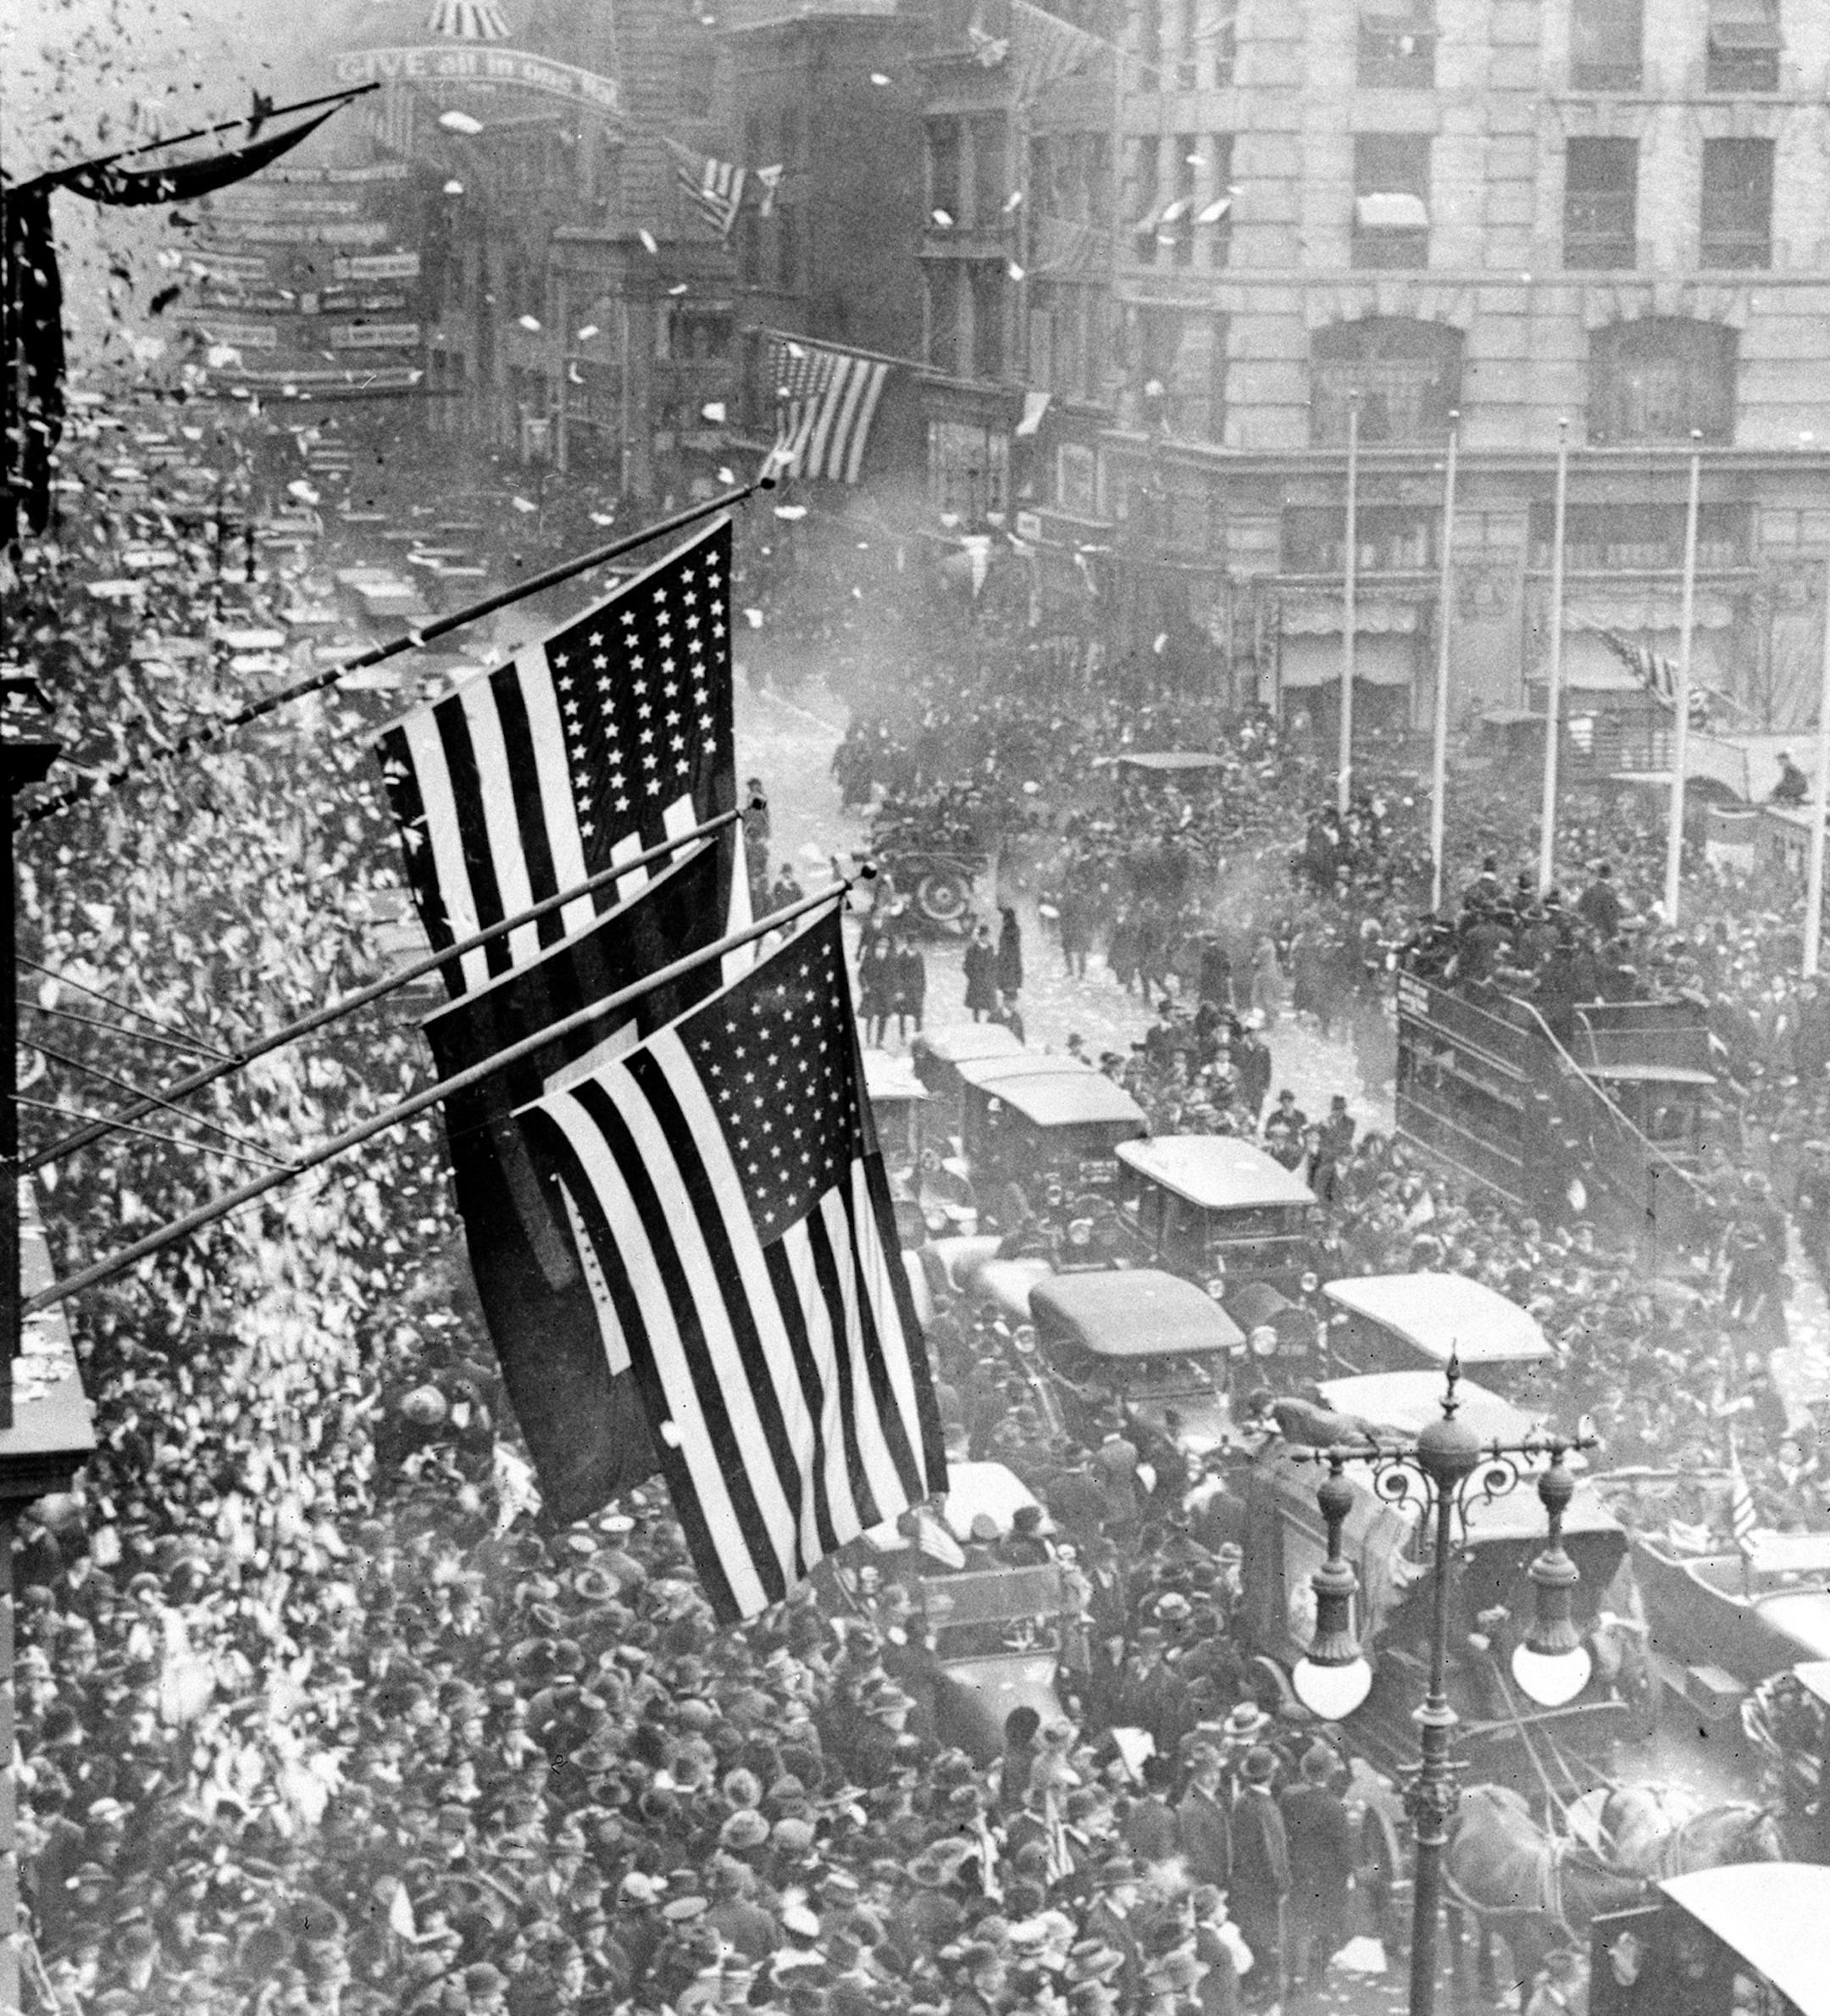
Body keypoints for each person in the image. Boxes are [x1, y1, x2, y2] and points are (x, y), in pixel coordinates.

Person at [1278, 1742, 1354, 1997]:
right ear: (1329, 1773)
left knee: (1294, 1926)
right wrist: (1349, 1874)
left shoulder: (1289, 1796)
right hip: (1326, 1879)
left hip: (1296, 1872)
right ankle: (1317, 1975)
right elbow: (1343, 1848)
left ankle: (1291, 1979)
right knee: (1324, 1926)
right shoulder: (1334, 1806)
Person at [1229, 1747, 1291, 2008]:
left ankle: (1253, 1988)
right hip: (1263, 1890)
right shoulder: (1267, 1808)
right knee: (1268, 1943)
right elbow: (1273, 1855)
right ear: (1271, 1775)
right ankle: (1264, 1995)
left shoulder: (1242, 1800)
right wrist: (1283, 1886)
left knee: (1252, 1938)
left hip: (1244, 1884)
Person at [890, 936, 926, 1042]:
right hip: (904, 991)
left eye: (916, 943)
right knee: (902, 1014)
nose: (915, 945)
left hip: (916, 990)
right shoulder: (901, 957)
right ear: (908, 944)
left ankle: (918, 1037)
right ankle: (902, 1036)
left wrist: (923, 988)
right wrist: (898, 990)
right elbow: (897, 975)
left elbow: (922, 974)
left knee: (918, 1014)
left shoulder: (919, 956)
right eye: (913, 943)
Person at [963, 922, 1000, 1022]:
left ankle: (991, 1023)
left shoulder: (991, 948)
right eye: (986, 936)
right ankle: (976, 1022)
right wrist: (973, 977)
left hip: (988, 982)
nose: (987, 938)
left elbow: (995, 963)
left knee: (991, 1006)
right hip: (977, 982)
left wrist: (994, 977)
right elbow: (967, 966)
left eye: (988, 936)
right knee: (976, 1006)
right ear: (981, 936)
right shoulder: (972, 950)